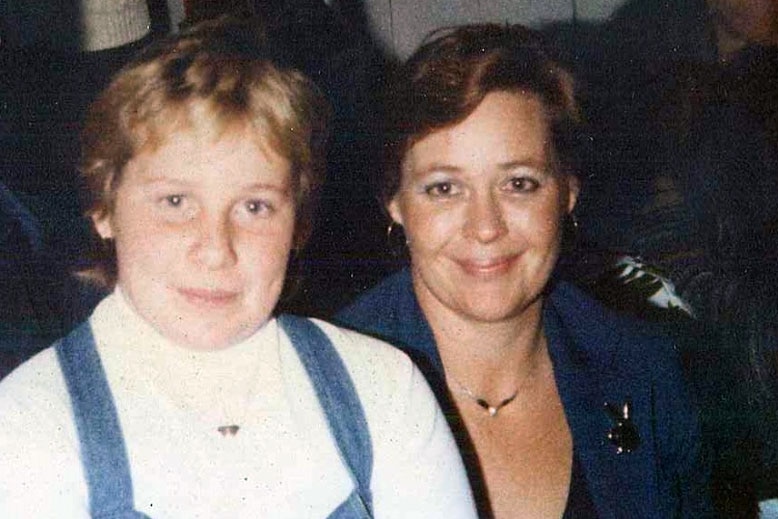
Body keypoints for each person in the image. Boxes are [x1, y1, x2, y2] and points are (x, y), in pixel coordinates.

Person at [0, 19, 476, 518]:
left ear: (298, 224)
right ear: (103, 207)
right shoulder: (34, 423)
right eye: (176, 201)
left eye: (254, 207)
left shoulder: (383, 390)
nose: (215, 249)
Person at [336, 24, 714, 518]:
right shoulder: (328, 387)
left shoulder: (645, 373)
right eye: (444, 188)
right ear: (395, 203)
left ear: (568, 193)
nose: (486, 227)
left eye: (519, 183)